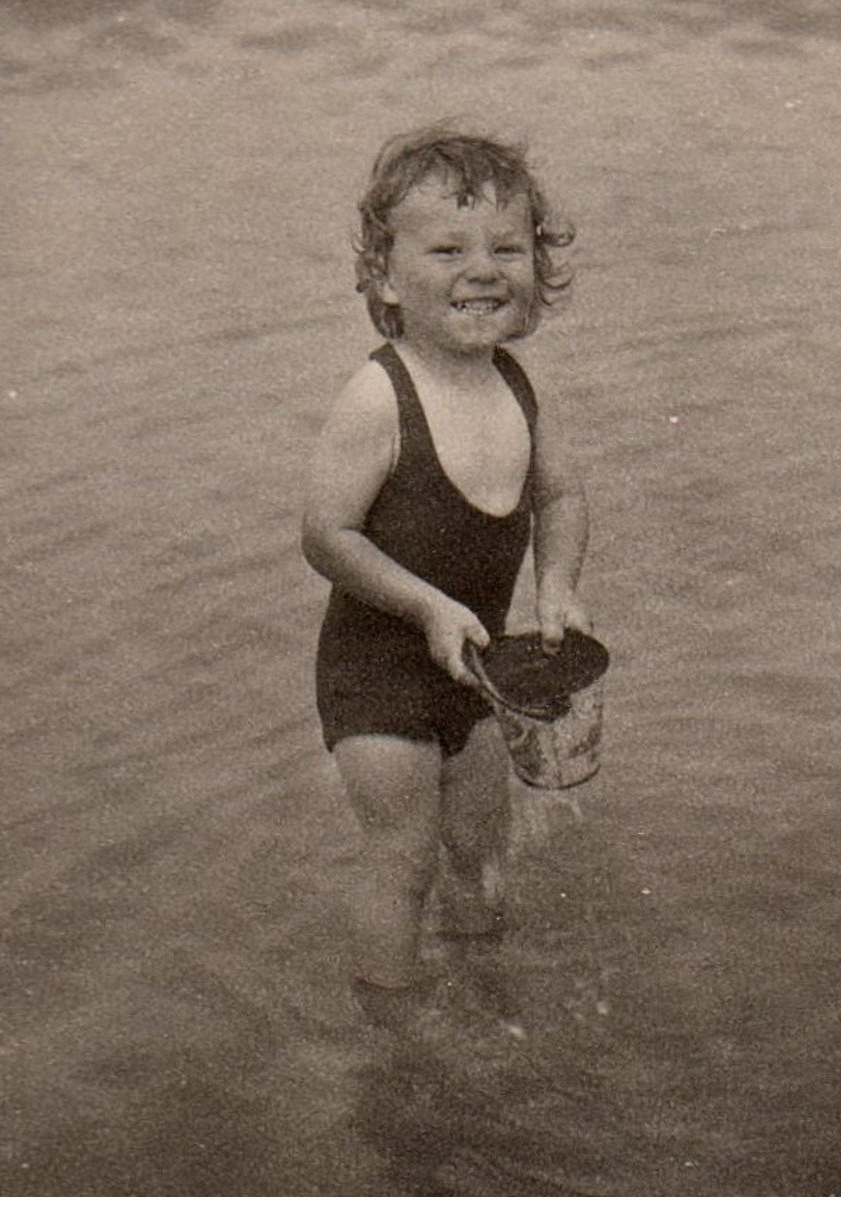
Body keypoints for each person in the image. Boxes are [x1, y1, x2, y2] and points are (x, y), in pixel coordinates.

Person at [301, 124, 594, 1030]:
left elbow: (562, 495)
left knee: (481, 849)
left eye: (507, 247)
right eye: (447, 248)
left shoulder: (516, 386)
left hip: (477, 674)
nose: (483, 268)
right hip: (378, 676)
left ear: (536, 272)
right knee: (405, 855)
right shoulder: (379, 397)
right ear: (387, 278)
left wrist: (556, 589)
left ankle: (484, 993)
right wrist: (426, 604)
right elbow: (326, 535)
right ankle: (394, 1040)